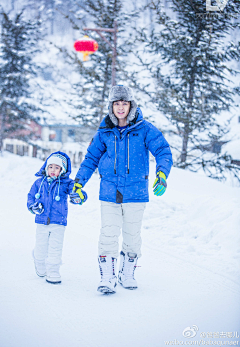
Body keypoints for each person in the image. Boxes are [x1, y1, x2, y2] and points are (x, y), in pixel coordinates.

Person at [73, 85, 173, 294]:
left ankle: (127, 273)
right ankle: (108, 277)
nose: (120, 108)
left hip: (136, 192)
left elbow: (163, 150)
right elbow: (91, 159)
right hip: (109, 191)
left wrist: (162, 173)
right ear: (111, 106)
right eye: (116, 104)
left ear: (131, 105)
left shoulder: (144, 129)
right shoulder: (104, 132)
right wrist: (79, 182)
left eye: (124, 103)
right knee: (108, 234)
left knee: (132, 235)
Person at [27, 151, 86, 284]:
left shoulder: (66, 183)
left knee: (55, 247)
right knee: (41, 246)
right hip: (42, 220)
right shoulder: (38, 183)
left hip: (58, 222)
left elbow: (76, 191)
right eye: (50, 167)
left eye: (57, 168)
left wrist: (79, 196)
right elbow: (30, 196)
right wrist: (33, 206)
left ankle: (53, 270)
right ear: (46, 167)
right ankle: (39, 260)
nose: (53, 170)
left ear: (63, 170)